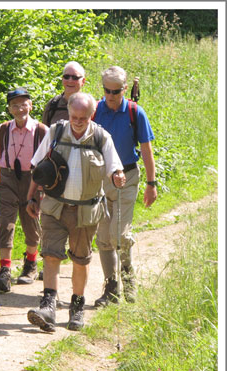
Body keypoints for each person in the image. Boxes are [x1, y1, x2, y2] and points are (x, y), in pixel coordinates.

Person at [25, 92, 125, 332]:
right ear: (68, 113)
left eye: (83, 117)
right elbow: (37, 167)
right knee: (51, 255)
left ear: (91, 115)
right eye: (74, 116)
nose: (78, 121)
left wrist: (118, 175)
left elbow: (114, 166)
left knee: (80, 260)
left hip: (86, 211)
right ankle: (48, 306)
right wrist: (31, 196)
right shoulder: (56, 133)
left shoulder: (101, 137)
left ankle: (77, 307)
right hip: (55, 205)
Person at [93, 66, 157, 305]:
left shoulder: (134, 112)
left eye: (116, 91)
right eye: (107, 90)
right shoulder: (95, 110)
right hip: (100, 179)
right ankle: (111, 289)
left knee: (118, 235)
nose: (111, 96)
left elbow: (147, 150)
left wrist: (152, 183)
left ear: (124, 88)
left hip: (127, 177)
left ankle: (129, 282)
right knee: (103, 238)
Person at [0, 88, 48, 292]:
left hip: (33, 179)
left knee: (31, 221)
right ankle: (4, 271)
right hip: (6, 178)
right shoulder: (3, 129)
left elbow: (47, 161)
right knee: (6, 223)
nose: (19, 108)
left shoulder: (42, 130)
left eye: (23, 104)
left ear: (30, 106)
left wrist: (40, 187)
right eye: (15, 105)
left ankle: (30, 264)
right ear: (9, 108)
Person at [42, 61, 86, 126]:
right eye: (66, 77)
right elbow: (45, 133)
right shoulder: (53, 105)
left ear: (83, 81)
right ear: (62, 79)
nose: (70, 81)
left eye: (75, 78)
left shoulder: (89, 106)